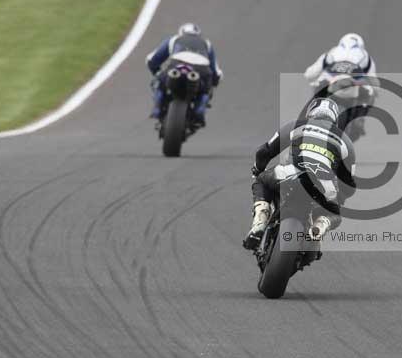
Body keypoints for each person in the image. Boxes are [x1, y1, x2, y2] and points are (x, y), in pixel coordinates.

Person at [243, 98, 357, 250]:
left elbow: (264, 151)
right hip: (323, 185)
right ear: (334, 118)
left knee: (261, 181)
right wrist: (339, 199)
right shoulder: (346, 141)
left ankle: (260, 222)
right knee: (335, 214)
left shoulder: (296, 125)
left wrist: (258, 169)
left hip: (290, 174)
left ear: (311, 113)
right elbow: (349, 184)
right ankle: (320, 225)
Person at [145, 23, 223, 124]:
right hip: (201, 69)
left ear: (181, 32)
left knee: (159, 82)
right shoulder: (207, 44)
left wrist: (157, 72)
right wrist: (214, 82)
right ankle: (199, 110)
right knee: (206, 90)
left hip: (177, 64)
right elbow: (215, 71)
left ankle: (157, 109)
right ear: (198, 34)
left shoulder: (174, 39)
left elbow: (152, 59)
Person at [303, 33, 377, 88]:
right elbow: (375, 84)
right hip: (353, 90)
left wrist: (312, 81)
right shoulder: (367, 58)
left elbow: (310, 74)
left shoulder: (330, 53)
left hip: (328, 86)